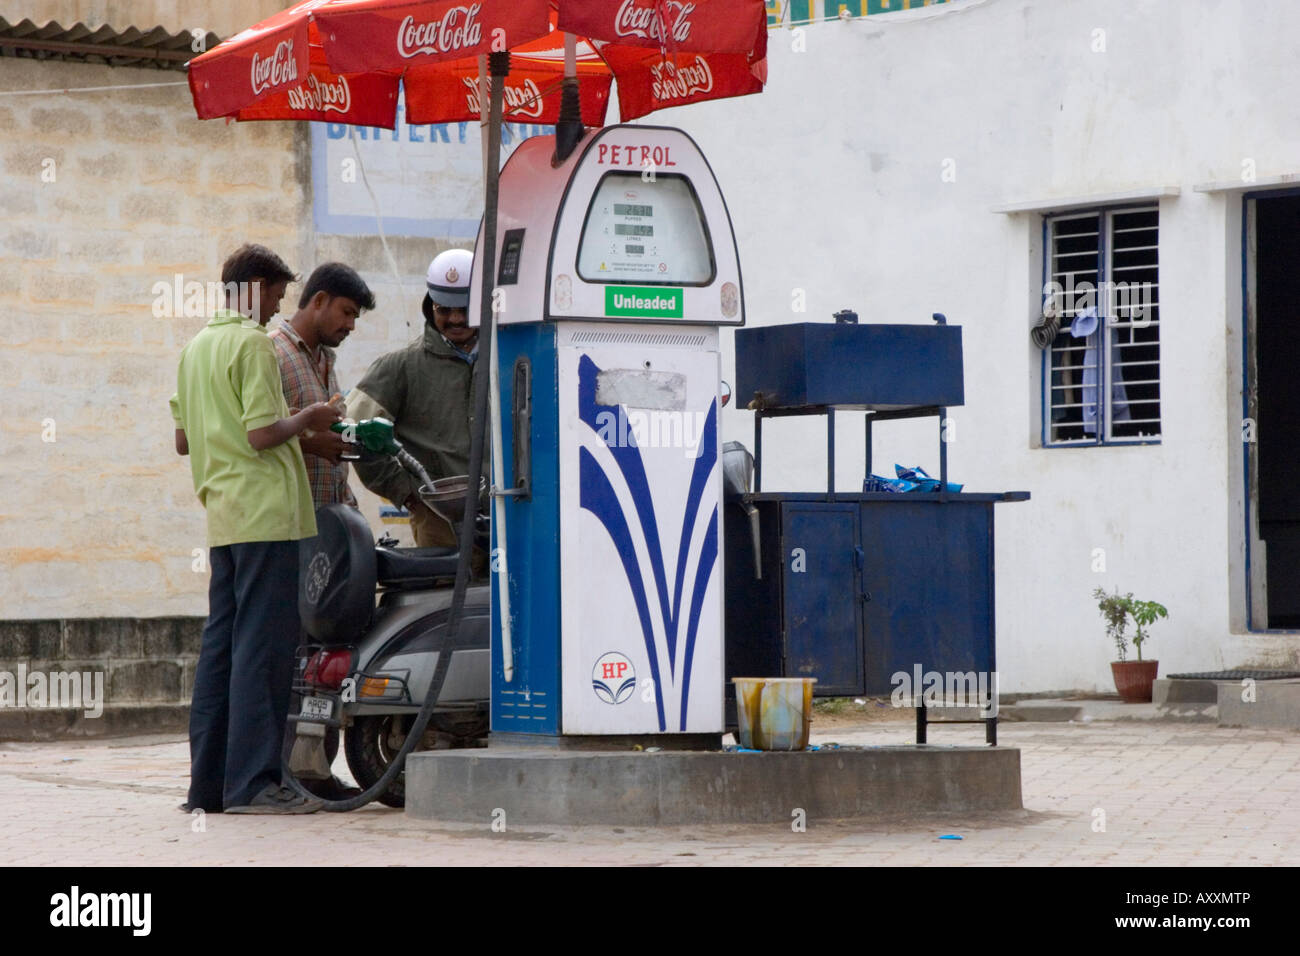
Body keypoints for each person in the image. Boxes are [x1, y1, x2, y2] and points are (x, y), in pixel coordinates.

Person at [170, 244, 341, 815]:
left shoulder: (194, 349)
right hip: (267, 513)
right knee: (264, 653)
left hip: (224, 516)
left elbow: (183, 440)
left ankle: (209, 787)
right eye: (273, 293)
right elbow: (263, 434)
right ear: (253, 287)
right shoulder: (250, 344)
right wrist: (311, 419)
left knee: (222, 649)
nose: (275, 308)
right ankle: (255, 784)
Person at [269, 263, 375, 801]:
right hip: (295, 527)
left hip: (334, 526)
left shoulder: (325, 360)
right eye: (347, 313)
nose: (351, 324)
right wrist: (316, 444)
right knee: (293, 657)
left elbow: (321, 426)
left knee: (327, 658)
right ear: (319, 300)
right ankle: (282, 774)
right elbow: (260, 435)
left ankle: (313, 771)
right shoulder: (273, 353)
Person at [347, 248, 478, 549]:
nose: (456, 319)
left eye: (465, 309)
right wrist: (408, 493)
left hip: (506, 517)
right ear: (430, 306)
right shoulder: (400, 367)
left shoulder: (510, 360)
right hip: (438, 523)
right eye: (444, 309)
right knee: (443, 596)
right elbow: (355, 431)